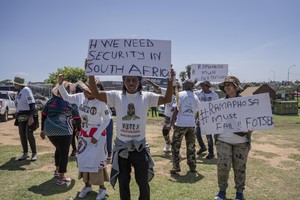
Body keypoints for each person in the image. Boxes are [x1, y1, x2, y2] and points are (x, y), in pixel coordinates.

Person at [88, 66, 175, 200]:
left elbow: (167, 99)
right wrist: (91, 73)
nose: (131, 83)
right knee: (123, 182)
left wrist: (170, 80)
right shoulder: (116, 95)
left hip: (140, 148)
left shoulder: (147, 96)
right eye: (128, 80)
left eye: (134, 80)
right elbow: (96, 94)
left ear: (139, 81)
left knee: (143, 182)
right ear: (123, 81)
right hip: (122, 147)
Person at [57, 75, 111, 199]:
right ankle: (87, 186)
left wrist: (96, 135)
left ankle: (102, 189)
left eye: (88, 91)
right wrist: (60, 84)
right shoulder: (80, 97)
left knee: (96, 162)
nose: (85, 93)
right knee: (83, 160)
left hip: (97, 136)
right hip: (84, 135)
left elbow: (107, 120)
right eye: (85, 90)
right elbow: (66, 97)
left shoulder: (101, 102)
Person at [214, 76, 252, 200]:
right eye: (225, 85)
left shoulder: (246, 103)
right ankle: (221, 191)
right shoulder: (219, 104)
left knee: (240, 167)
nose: (226, 87)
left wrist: (250, 128)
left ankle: (239, 193)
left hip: (241, 142)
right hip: (223, 140)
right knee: (223, 166)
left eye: (229, 84)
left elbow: (253, 121)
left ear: (236, 88)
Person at [40, 82, 80, 185]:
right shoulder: (70, 102)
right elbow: (77, 117)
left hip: (49, 130)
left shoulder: (50, 101)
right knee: (64, 153)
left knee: (58, 149)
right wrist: (79, 129)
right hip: (64, 130)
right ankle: (61, 177)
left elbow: (44, 115)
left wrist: (42, 130)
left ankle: (57, 171)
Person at [169, 79, 201, 174]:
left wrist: (171, 122)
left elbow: (176, 110)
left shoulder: (180, 94)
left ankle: (176, 166)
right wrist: (194, 119)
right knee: (191, 146)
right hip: (191, 124)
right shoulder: (195, 96)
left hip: (181, 124)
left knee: (175, 145)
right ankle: (192, 166)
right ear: (192, 86)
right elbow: (199, 110)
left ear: (184, 86)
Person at [144, 78, 179, 154]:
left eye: (174, 87)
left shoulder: (180, 96)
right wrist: (150, 81)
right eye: (172, 87)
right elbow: (157, 87)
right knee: (165, 131)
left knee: (177, 133)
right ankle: (168, 143)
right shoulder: (167, 91)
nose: (172, 89)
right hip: (167, 116)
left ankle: (175, 149)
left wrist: (176, 108)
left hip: (177, 117)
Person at [13, 76, 38, 161]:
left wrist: (31, 117)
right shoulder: (19, 91)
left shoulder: (26, 90)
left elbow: (32, 104)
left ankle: (34, 153)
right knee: (22, 135)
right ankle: (25, 153)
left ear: (19, 84)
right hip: (21, 115)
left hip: (28, 114)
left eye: (15, 83)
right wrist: (17, 111)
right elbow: (19, 103)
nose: (14, 84)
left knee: (29, 134)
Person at [194, 81, 219, 159]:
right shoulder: (198, 93)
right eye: (202, 86)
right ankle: (202, 147)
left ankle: (211, 152)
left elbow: (217, 105)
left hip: (209, 117)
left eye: (205, 86)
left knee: (208, 136)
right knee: (197, 133)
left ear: (208, 87)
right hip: (200, 117)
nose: (203, 87)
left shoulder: (214, 95)